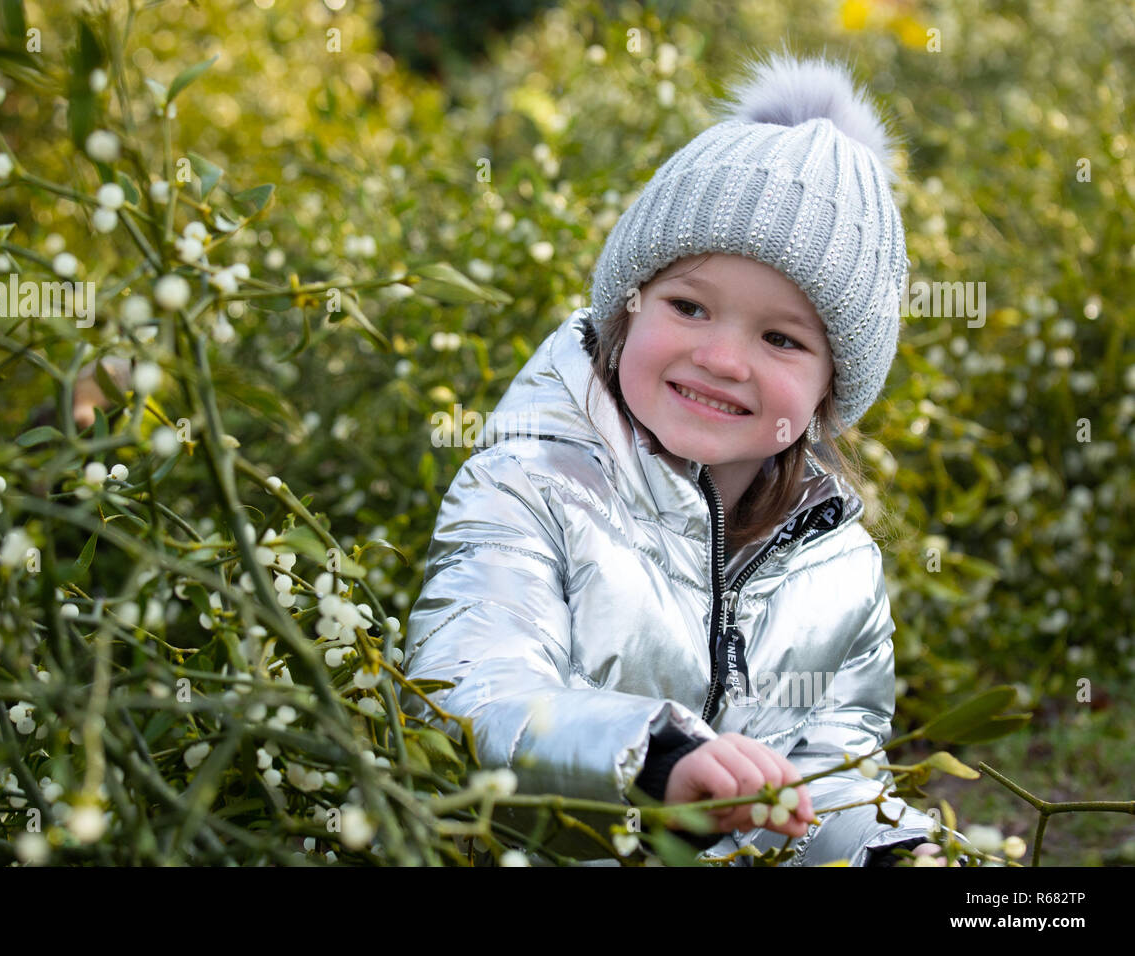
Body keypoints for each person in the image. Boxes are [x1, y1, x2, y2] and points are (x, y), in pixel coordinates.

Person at [400, 50, 967, 866]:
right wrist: (652, 759)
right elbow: (469, 688)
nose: (723, 359)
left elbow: (831, 776)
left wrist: (880, 848)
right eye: (689, 306)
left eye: (780, 338)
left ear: (829, 389)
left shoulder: (839, 568)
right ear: (625, 309)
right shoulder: (528, 486)